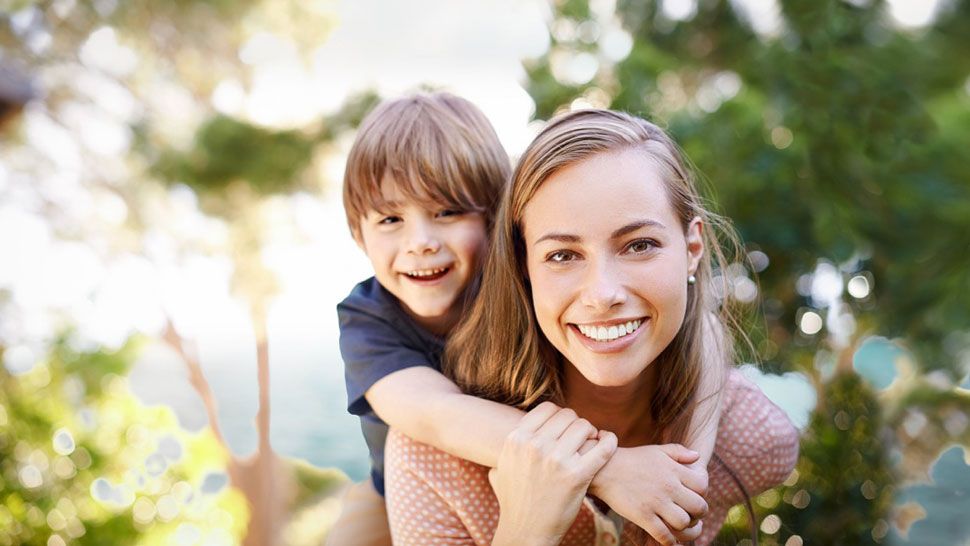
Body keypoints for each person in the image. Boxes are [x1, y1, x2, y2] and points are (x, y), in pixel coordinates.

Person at [330, 93, 785, 546]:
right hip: (388, 492)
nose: (421, 242)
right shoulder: (370, 320)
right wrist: (608, 469)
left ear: (498, 224)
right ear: (357, 235)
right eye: (390, 219)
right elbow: (436, 417)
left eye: (448, 212)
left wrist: (689, 468)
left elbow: (701, 330)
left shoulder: (510, 279)